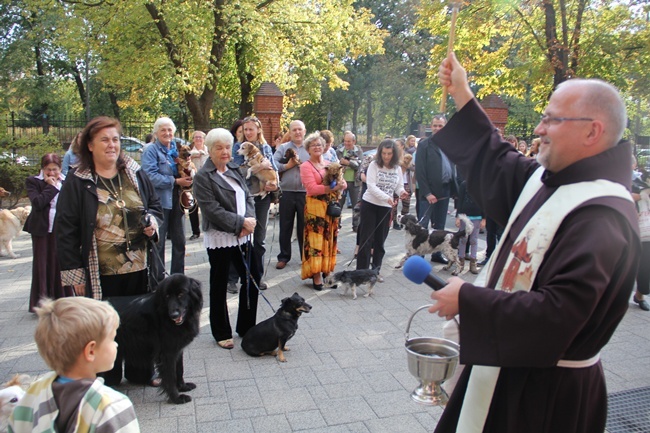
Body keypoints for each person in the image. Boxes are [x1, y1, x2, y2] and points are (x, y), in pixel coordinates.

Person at [428, 52, 640, 433]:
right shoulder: (552, 179)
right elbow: (496, 160)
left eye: (551, 119)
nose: (539, 129)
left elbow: (560, 314)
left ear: (593, 131)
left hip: (544, 395)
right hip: (507, 369)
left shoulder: (602, 215)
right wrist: (462, 93)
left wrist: (469, 299)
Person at [57, 116, 163, 300]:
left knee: (137, 326)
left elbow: (154, 206)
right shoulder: (77, 181)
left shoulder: (134, 173)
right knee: (106, 327)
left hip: (140, 269)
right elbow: (66, 229)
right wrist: (75, 274)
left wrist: (152, 223)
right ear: (90, 146)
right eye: (104, 140)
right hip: (101, 274)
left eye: (115, 139)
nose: (111, 145)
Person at [8, 297, 140, 432]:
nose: (116, 344)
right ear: (90, 351)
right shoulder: (113, 406)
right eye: (112, 339)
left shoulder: (33, 393)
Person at [192, 128, 260, 349]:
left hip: (243, 235)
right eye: (219, 147)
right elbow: (211, 209)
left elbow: (248, 196)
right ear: (210, 150)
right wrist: (240, 224)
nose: (224, 152)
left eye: (227, 147)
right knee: (219, 282)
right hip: (221, 237)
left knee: (253, 277)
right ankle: (221, 331)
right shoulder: (203, 176)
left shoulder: (234, 168)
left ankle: (246, 326)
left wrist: (249, 221)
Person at [229, 116, 278, 292]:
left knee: (259, 238)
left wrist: (274, 184)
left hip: (261, 198)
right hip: (243, 197)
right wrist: (257, 168)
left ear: (258, 130)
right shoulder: (237, 148)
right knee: (240, 236)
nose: (248, 132)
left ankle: (256, 276)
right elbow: (235, 172)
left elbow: (274, 170)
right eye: (245, 129)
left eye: (251, 129)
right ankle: (233, 278)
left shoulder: (265, 148)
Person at [141, 117, 192, 280]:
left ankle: (178, 280)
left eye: (170, 130)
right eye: (163, 130)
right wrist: (175, 181)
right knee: (158, 244)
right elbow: (149, 176)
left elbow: (188, 171)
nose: (167, 133)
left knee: (179, 243)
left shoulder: (177, 150)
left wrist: (189, 170)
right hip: (159, 203)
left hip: (177, 201)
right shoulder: (151, 150)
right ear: (156, 133)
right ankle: (158, 281)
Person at [24, 153, 73, 312]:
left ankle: (62, 299)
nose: (52, 173)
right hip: (41, 228)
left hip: (61, 228)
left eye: (55, 170)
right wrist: (51, 187)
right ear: (42, 169)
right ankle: (43, 301)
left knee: (60, 262)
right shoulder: (33, 182)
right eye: (48, 170)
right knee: (42, 263)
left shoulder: (67, 181)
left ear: (60, 168)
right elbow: (38, 203)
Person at [299, 132, 347, 290]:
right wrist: (331, 187)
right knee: (316, 243)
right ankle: (316, 274)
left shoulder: (329, 163)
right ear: (308, 149)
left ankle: (326, 271)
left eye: (319, 144)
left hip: (330, 208)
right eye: (313, 145)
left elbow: (343, 183)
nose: (317, 147)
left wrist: (341, 184)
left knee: (329, 239)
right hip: (315, 210)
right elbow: (312, 189)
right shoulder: (305, 166)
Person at [356, 139, 408, 281]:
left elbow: (398, 185)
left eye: (389, 153)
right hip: (370, 204)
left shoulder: (397, 168)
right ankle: (361, 272)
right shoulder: (374, 165)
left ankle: (375, 271)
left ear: (394, 154)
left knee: (380, 241)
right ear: (380, 153)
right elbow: (371, 186)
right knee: (366, 239)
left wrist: (401, 192)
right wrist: (386, 197)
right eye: (384, 153)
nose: (386, 156)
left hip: (385, 208)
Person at [415, 114, 457, 264]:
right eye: (435, 126)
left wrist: (455, 189)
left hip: (445, 191)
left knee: (440, 226)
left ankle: (437, 254)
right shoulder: (424, 145)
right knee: (423, 226)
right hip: (429, 193)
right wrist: (427, 193)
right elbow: (420, 171)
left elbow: (453, 167)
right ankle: (419, 256)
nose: (437, 128)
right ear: (431, 127)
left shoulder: (450, 144)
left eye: (441, 126)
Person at [273, 120, 310, 269]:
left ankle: (305, 257)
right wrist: (287, 166)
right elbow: (272, 163)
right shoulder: (283, 148)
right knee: (285, 226)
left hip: (305, 193)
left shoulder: (310, 148)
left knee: (304, 227)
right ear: (290, 132)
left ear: (304, 131)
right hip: (287, 192)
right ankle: (283, 256)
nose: (297, 132)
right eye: (294, 130)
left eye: (300, 129)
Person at [632, 153, 650, 311]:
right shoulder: (618, 180)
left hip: (647, 233)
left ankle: (640, 295)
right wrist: (638, 196)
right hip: (628, 229)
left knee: (645, 266)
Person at [336, 131, 362, 221]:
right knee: (339, 204)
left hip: (355, 182)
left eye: (349, 141)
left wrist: (348, 163)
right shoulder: (339, 151)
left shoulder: (358, 151)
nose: (346, 143)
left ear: (354, 141)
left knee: (356, 206)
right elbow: (335, 164)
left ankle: (356, 226)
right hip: (341, 182)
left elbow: (359, 165)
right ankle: (337, 224)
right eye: (345, 141)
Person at [188, 130, 208, 240]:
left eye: (200, 137)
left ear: (204, 139)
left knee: (207, 207)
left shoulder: (209, 151)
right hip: (193, 183)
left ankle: (208, 229)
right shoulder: (189, 152)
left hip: (206, 183)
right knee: (192, 207)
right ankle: (195, 231)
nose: (198, 139)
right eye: (196, 137)